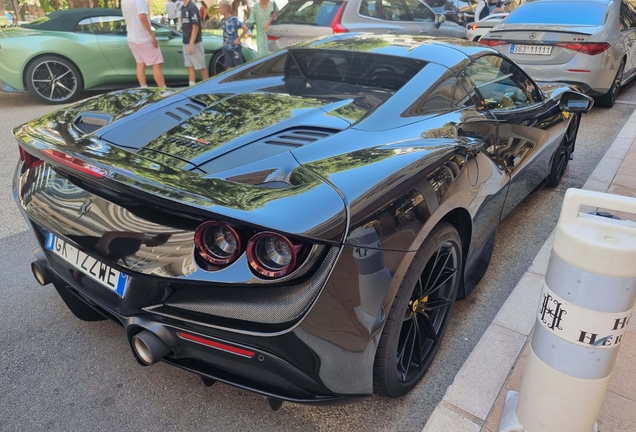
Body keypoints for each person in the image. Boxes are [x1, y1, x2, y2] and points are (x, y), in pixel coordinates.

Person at [121, 0, 166, 88]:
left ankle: (143, 88)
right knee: (157, 64)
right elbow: (142, 17)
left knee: (140, 64)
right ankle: (164, 90)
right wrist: (152, 35)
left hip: (131, 37)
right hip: (144, 38)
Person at [181, 0, 210, 84]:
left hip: (194, 42)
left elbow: (195, 26)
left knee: (201, 66)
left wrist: (191, 44)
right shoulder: (183, 7)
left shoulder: (192, 7)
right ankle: (192, 86)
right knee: (189, 66)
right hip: (185, 41)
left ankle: (207, 88)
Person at [219, 0, 248, 69]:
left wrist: (238, 39)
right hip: (226, 47)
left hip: (235, 47)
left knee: (238, 66)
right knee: (228, 64)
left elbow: (245, 29)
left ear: (225, 9)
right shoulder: (222, 21)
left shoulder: (234, 20)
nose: (219, 10)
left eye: (220, 8)